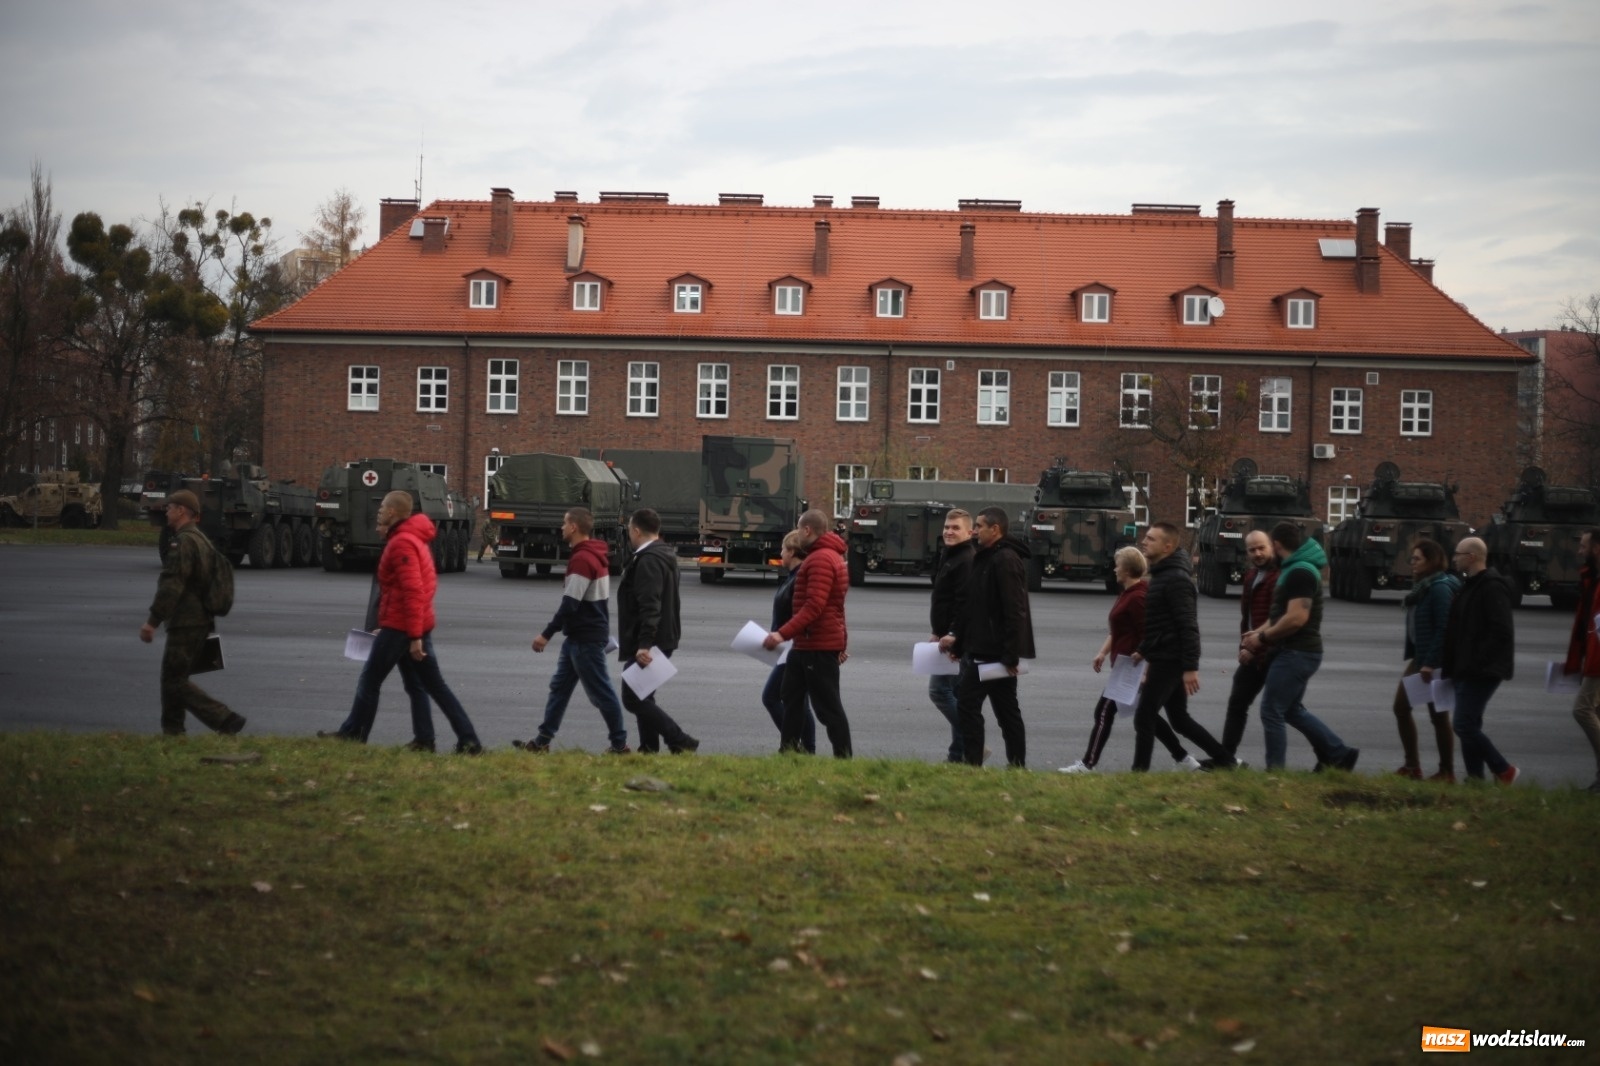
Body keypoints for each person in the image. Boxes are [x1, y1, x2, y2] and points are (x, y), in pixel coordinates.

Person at [321, 491, 481, 752]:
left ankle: (353, 734)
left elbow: (412, 590)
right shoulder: (413, 539)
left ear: (393, 512)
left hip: (402, 626)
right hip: (412, 623)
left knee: (370, 681)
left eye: (383, 507)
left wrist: (414, 636)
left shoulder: (402, 543)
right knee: (427, 686)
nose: (379, 511)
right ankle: (453, 740)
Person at [1061, 544, 1197, 773]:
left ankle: (1087, 764)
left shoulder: (1138, 598)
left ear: (1126, 569)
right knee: (1147, 717)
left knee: (1104, 712)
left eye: (1117, 565)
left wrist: (1146, 669)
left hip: (1133, 666)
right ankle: (1184, 759)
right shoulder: (1127, 593)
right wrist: (1102, 652)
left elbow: (1150, 634)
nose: (1114, 569)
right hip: (1125, 665)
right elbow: (1118, 630)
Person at [1241, 522, 1358, 772]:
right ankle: (1339, 754)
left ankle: (1275, 773)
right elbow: (1281, 614)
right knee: (1291, 710)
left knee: (1271, 710)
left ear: (1277, 545)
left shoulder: (1300, 572)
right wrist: (1258, 632)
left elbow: (1296, 618)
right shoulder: (1292, 569)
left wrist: (1262, 639)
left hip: (1297, 652)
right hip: (1295, 651)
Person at [516, 507, 631, 754]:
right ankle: (542, 741)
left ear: (574, 527)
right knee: (560, 688)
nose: (561, 527)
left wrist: (546, 634)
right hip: (580, 637)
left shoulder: (582, 559)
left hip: (585, 639)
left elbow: (570, 604)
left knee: (601, 694)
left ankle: (620, 745)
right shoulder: (592, 554)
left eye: (564, 523)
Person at [1128, 522, 1238, 772]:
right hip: (1165, 655)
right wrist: (1144, 649)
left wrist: (1190, 667)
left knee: (1145, 716)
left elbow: (1188, 626)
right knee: (1179, 720)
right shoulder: (1162, 574)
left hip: (1171, 659)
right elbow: (1159, 624)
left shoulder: (1176, 579)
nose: (1144, 542)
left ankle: (1139, 772)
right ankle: (1226, 760)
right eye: (1145, 538)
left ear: (1168, 546)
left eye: (1151, 539)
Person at [139, 489, 246, 736]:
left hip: (187, 621)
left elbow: (172, 583)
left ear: (181, 511)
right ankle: (173, 731)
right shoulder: (200, 540)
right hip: (199, 620)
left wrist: (152, 621)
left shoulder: (184, 542)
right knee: (174, 678)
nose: (166, 511)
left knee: (173, 681)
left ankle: (224, 718)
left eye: (170, 507)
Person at [939, 507, 1034, 767]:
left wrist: (1011, 654)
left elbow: (1014, 610)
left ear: (995, 529)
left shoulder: (1005, 559)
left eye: (980, 526)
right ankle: (1016, 766)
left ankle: (974, 764)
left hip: (993, 653)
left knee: (969, 706)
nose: (975, 530)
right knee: (1005, 711)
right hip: (984, 648)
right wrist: (960, 643)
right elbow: (975, 607)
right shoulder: (986, 556)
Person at [763, 508, 853, 758]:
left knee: (828, 708)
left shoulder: (821, 559)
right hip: (806, 645)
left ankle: (844, 759)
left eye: (799, 528)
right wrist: (842, 643)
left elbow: (814, 606)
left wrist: (781, 634)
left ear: (807, 530)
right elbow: (837, 608)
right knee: (790, 698)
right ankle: (789, 751)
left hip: (817, 646)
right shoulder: (828, 556)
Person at [617, 507, 698, 753]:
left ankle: (680, 739)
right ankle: (649, 747)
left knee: (632, 697)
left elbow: (650, 605)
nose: (629, 535)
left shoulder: (648, 560)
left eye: (630, 531)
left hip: (651, 640)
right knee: (643, 693)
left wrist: (644, 644)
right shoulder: (664, 554)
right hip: (664, 636)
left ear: (636, 530)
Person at [1439, 536, 1518, 784]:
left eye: (1458, 553)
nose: (1454, 558)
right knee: (1470, 724)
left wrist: (1475, 661)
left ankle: (1504, 770)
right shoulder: (1470, 584)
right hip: (1466, 667)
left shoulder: (1492, 586)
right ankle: (1475, 779)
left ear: (1472, 557)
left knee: (1463, 725)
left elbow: (1501, 631)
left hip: (1482, 670)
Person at [1392, 538, 1459, 780]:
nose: (1412, 563)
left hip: (1433, 662)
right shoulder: (1424, 586)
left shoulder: (1439, 588)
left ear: (1431, 561)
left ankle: (1446, 771)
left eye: (1417, 559)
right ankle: (1413, 766)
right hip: (1422, 658)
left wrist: (1430, 662)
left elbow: (1444, 628)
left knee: (1437, 715)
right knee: (1403, 708)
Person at [1220, 529, 1278, 759]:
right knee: (1236, 705)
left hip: (1272, 654)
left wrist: (1255, 649)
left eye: (1262, 547)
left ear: (1272, 546)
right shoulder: (1252, 576)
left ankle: (1333, 751)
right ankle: (1225, 758)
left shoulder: (1279, 576)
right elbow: (1248, 619)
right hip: (1252, 654)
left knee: (1289, 711)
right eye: (1252, 549)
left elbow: (1278, 620)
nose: (1257, 553)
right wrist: (1244, 648)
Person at [761, 530, 817, 752]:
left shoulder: (800, 577)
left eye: (783, 549)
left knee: (771, 697)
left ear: (792, 551)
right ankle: (805, 748)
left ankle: (797, 745)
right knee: (798, 701)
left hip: (794, 647)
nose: (781, 553)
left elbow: (805, 614)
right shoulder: (793, 576)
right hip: (786, 645)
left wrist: (781, 634)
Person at [928, 508, 976, 763]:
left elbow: (965, 602)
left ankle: (972, 741)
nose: (949, 531)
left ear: (970, 532)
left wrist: (953, 633)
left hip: (957, 641)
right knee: (955, 696)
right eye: (947, 527)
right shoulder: (950, 555)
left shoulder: (966, 559)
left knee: (939, 692)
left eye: (955, 528)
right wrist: (937, 631)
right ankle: (958, 755)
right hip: (946, 636)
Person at [1564, 529, 1600, 792]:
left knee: (1582, 710)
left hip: (1599, 658)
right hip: (1592, 653)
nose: (1579, 550)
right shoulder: (1592, 578)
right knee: (1595, 712)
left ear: (1597, 548)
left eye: (1584, 545)